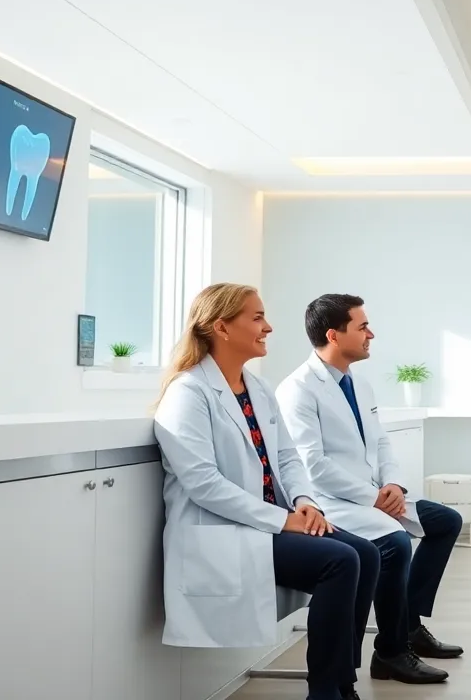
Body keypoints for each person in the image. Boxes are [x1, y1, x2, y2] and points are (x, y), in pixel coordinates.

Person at [153, 283, 379, 700]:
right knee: (341, 560)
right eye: (257, 318)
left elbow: (288, 458)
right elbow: (203, 484)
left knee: (367, 552)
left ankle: (341, 683)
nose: (269, 327)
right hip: (226, 530)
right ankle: (325, 692)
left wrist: (304, 503)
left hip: (270, 521)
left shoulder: (257, 388)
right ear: (221, 327)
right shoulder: (188, 392)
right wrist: (283, 519)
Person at [276, 293, 463, 686]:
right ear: (333, 335)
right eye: (362, 327)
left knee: (446, 521)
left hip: (375, 493)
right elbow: (312, 465)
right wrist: (374, 498)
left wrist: (392, 484)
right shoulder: (297, 389)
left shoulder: (359, 384)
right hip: (332, 501)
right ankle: (391, 652)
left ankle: (408, 626)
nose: (370, 334)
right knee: (394, 544)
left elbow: (380, 443)